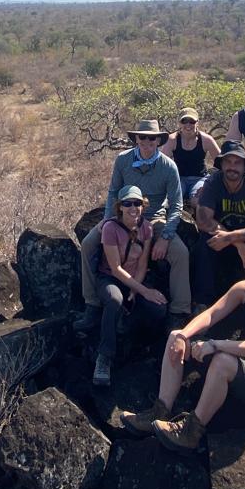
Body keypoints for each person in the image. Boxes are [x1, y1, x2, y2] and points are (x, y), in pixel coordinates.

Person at [122, 240, 245, 452]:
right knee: (176, 336)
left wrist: (215, 344)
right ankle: (159, 412)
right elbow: (211, 314)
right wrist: (183, 336)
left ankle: (190, 431)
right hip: (240, 365)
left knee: (222, 361)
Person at [76, 120, 190, 332]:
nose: (147, 142)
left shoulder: (168, 167)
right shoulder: (123, 160)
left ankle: (179, 311)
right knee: (90, 244)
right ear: (136, 138)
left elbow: (176, 205)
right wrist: (109, 219)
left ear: (159, 140)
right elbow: (113, 192)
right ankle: (91, 304)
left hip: (154, 217)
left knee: (180, 253)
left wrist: (165, 236)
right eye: (143, 137)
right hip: (122, 216)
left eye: (152, 138)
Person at [91, 185, 170, 386]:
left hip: (135, 280)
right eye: (128, 204)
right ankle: (104, 357)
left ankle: (135, 340)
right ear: (120, 207)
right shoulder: (110, 228)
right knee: (115, 300)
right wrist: (143, 290)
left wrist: (136, 289)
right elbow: (116, 268)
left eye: (137, 203)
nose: (133, 208)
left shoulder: (147, 228)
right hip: (109, 279)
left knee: (158, 308)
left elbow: (143, 264)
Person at [192, 141, 245, 309]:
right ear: (221, 164)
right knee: (204, 245)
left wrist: (234, 237)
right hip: (221, 237)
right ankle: (202, 303)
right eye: (228, 162)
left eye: (237, 162)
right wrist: (237, 243)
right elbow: (203, 220)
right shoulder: (213, 183)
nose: (232, 167)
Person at [160, 107, 220, 206]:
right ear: (179, 123)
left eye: (191, 121)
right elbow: (161, 165)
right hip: (178, 178)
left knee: (197, 201)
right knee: (172, 200)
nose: (188, 125)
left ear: (197, 123)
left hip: (200, 179)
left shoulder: (206, 140)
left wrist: (211, 182)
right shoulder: (172, 140)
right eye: (184, 121)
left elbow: (222, 163)